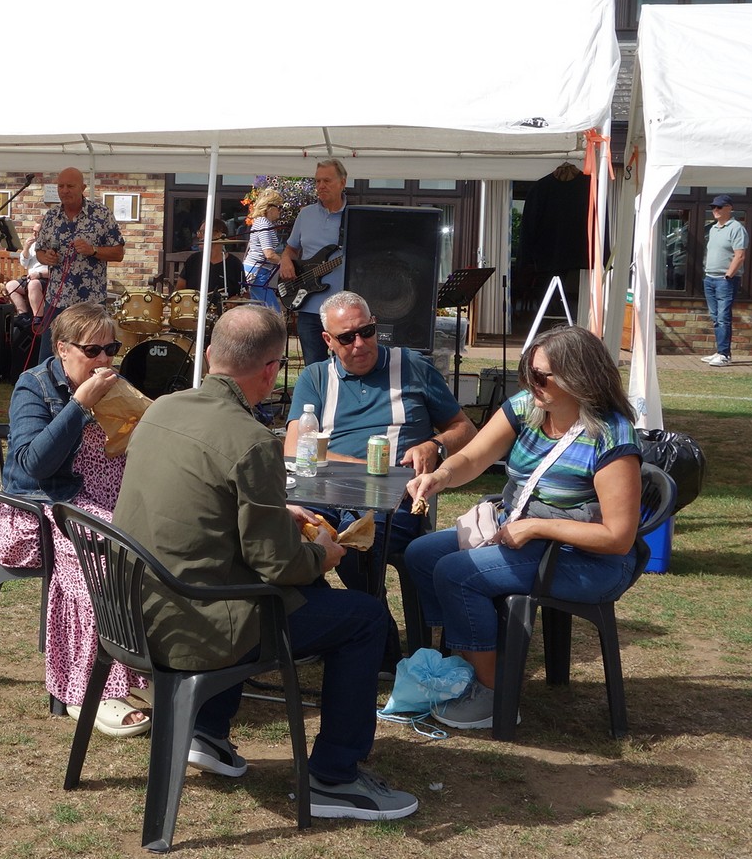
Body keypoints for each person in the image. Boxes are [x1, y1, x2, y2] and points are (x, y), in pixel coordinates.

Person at [113, 304, 420, 821]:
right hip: (198, 627)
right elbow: (278, 564)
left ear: (209, 355)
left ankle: (208, 730)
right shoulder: (253, 440)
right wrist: (324, 553)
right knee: (364, 618)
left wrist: (279, 511)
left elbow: (201, 507)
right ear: (272, 369)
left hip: (132, 612)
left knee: (299, 597)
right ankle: (334, 778)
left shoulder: (162, 408)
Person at [402, 326, 643, 730]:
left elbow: (617, 539)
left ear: (579, 377)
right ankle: (466, 660)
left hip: (589, 559)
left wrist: (537, 528)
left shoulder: (611, 435)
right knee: (421, 555)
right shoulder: (527, 407)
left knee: (458, 573)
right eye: (527, 372)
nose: (531, 383)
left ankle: (495, 694)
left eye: (541, 376)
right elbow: (474, 458)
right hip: (524, 532)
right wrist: (440, 476)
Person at [0, 303, 149, 736]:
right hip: (42, 506)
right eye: (92, 350)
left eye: (111, 349)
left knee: (160, 544)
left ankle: (139, 672)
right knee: (103, 561)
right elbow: (34, 464)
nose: (104, 360)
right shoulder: (34, 386)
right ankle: (88, 690)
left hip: (103, 499)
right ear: (62, 349)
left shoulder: (114, 384)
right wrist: (80, 405)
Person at [282, 291, 477, 599]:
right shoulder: (316, 377)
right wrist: (373, 470)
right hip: (324, 496)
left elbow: (465, 428)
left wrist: (435, 445)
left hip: (393, 501)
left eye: (367, 331)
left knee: (358, 540)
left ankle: (369, 618)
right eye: (347, 338)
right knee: (285, 534)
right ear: (327, 340)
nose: (360, 344)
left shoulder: (413, 366)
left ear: (375, 325)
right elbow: (294, 450)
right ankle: (337, 613)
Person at [33, 167, 125, 362]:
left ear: (83, 188)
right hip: (57, 299)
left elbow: (119, 253)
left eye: (70, 186)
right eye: (60, 186)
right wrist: (45, 257)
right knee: (50, 357)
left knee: (90, 356)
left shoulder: (101, 214)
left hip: (90, 302)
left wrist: (93, 250)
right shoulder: (50, 217)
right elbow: (39, 250)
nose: (64, 190)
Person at [279, 160, 349, 367]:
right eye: (317, 181)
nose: (321, 186)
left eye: (327, 180)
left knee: (345, 366)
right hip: (308, 307)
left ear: (342, 182)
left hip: (342, 309)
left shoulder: (354, 216)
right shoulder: (306, 214)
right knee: (314, 368)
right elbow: (291, 249)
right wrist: (285, 260)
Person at [700, 194, 746, 367]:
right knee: (715, 317)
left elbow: (740, 255)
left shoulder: (736, 228)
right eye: (713, 207)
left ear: (729, 208)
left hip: (724, 280)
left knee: (723, 317)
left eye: (719, 207)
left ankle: (724, 355)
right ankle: (721, 351)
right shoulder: (713, 228)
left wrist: (728, 275)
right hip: (710, 278)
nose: (715, 210)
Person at [173, 221, 247, 300]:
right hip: (195, 306)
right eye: (199, 232)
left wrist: (235, 299)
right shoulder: (193, 260)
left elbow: (245, 294)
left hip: (224, 307)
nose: (198, 235)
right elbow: (179, 290)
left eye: (203, 232)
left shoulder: (234, 263)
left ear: (219, 235)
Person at [243, 189, 285, 313]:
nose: (280, 210)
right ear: (269, 208)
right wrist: (285, 263)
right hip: (258, 272)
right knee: (273, 310)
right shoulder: (263, 224)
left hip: (258, 271)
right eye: (279, 207)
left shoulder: (264, 223)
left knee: (257, 309)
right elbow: (269, 254)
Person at [2, 222, 51, 321]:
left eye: (37, 232)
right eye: (33, 231)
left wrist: (39, 274)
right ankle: (23, 315)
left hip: (45, 278)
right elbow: (24, 264)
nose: (34, 235)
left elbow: (56, 270)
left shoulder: (52, 246)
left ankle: (38, 318)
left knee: (33, 284)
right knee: (11, 286)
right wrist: (26, 248)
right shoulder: (33, 245)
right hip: (31, 277)